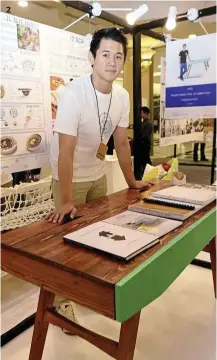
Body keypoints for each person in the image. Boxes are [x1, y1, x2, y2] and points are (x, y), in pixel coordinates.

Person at [48, 28, 152, 330]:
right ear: (92, 58)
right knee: (64, 245)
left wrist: (132, 182)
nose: (112, 61)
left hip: (96, 175)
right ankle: (61, 303)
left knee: (96, 236)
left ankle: (89, 294)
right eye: (105, 54)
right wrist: (66, 199)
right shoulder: (73, 94)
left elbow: (121, 142)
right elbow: (64, 151)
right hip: (68, 177)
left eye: (118, 56)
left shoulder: (122, 96)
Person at [140, 106, 153, 177]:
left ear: (145, 113)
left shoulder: (148, 123)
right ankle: (146, 172)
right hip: (143, 144)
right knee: (144, 159)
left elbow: (145, 135)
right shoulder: (144, 122)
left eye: (141, 112)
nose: (140, 114)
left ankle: (150, 172)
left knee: (146, 159)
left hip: (145, 144)